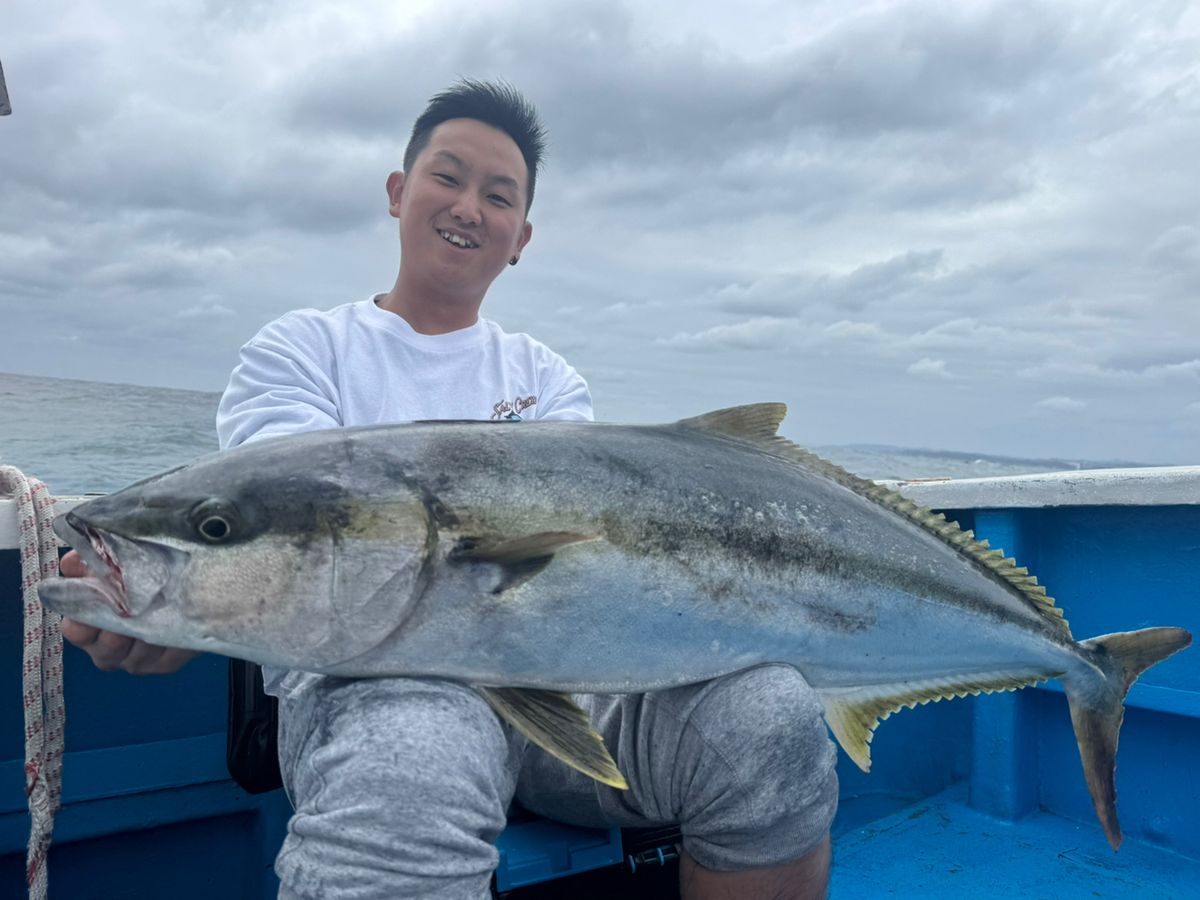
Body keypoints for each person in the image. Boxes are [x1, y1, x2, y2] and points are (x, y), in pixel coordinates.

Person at [60, 80, 838, 900]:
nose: (468, 206)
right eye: (447, 177)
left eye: (497, 196)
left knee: (772, 718)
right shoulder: (302, 352)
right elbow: (276, 532)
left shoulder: (546, 379)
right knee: (416, 749)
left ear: (520, 238)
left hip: (552, 698)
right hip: (360, 693)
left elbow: (564, 582)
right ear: (398, 194)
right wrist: (195, 607)